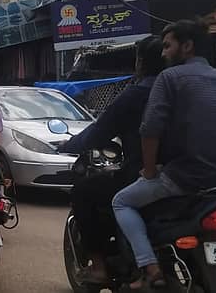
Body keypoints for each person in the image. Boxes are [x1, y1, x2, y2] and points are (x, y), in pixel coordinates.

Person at [112, 19, 216, 289]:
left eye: (167, 46)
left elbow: (150, 129)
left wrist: (150, 171)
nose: (163, 53)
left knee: (122, 202)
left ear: (187, 46)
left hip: (184, 180)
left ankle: (150, 268)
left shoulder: (169, 78)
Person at [57, 35, 165, 286]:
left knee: (85, 192)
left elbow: (98, 132)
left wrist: (70, 146)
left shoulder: (138, 94)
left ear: (140, 62)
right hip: (192, 175)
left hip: (147, 174)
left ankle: (99, 267)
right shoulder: (187, 90)